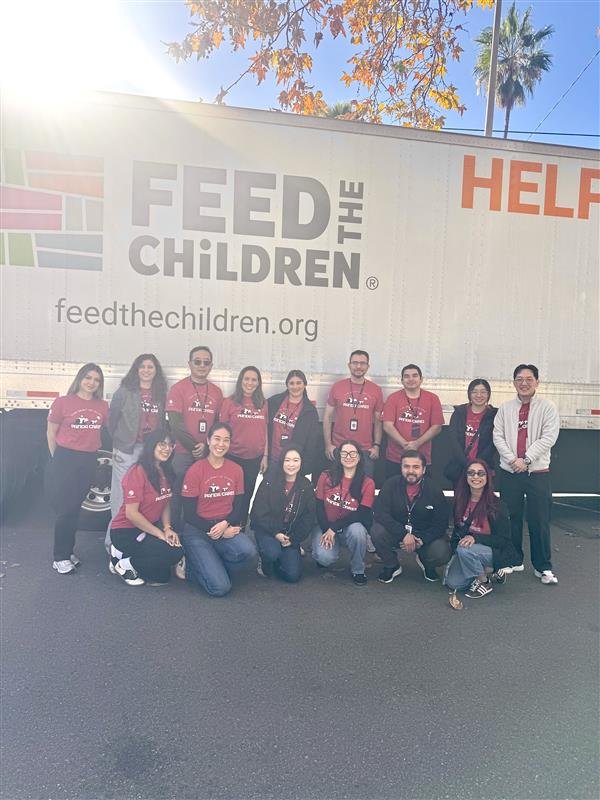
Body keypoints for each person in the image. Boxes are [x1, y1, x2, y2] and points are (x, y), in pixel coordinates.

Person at [493, 364, 560, 584]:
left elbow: (548, 437)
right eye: (519, 379)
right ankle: (514, 559)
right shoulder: (505, 408)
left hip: (537, 472)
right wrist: (513, 460)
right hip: (510, 471)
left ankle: (543, 567)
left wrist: (527, 459)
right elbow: (498, 436)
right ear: (514, 383)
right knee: (510, 517)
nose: (524, 383)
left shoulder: (547, 407)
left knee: (539, 520)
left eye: (529, 379)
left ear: (537, 382)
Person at [179, 423, 256, 597]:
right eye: (217, 439)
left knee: (249, 553)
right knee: (220, 588)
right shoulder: (195, 470)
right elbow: (189, 514)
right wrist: (218, 532)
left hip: (222, 525)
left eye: (226, 440)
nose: (221, 444)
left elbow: (239, 506)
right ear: (208, 440)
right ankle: (191, 567)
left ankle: (210, 562)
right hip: (197, 530)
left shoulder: (236, 470)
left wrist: (226, 524)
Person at [47, 363, 109, 574]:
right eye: (88, 378)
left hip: (89, 459)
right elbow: (51, 432)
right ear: (80, 379)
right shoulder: (63, 402)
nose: (91, 383)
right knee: (65, 509)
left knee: (75, 508)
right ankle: (60, 556)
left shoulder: (103, 406)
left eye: (96, 380)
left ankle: (68, 550)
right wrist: (57, 459)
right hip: (66, 458)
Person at [105, 353, 168, 550]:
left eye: (150, 367)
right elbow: (111, 419)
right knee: (121, 498)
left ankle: (134, 540)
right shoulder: (125, 391)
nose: (146, 370)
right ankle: (112, 543)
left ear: (156, 371)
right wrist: (120, 441)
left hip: (148, 451)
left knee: (144, 496)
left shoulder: (160, 393)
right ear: (136, 369)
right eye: (142, 366)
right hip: (126, 449)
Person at [109, 429, 183, 586]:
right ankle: (125, 564)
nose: (167, 448)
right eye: (162, 444)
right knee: (170, 558)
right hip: (126, 531)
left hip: (146, 530)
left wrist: (167, 528)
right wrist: (159, 534)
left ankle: (122, 555)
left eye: (170, 445)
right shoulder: (137, 472)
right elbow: (131, 514)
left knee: (164, 571)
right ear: (151, 446)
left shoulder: (165, 470)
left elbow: (165, 501)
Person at [371, 450, 450, 583]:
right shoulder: (391, 484)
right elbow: (380, 513)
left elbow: (441, 523)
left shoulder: (434, 489)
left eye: (416, 467)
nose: (411, 471)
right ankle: (392, 565)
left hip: (423, 537)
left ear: (424, 469)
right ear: (401, 468)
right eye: (406, 466)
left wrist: (421, 539)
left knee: (441, 551)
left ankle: (426, 562)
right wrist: (403, 534)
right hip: (397, 533)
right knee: (376, 531)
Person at [445, 460, 517, 603]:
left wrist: (475, 538)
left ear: (487, 477)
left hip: (493, 550)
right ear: (465, 477)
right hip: (468, 548)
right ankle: (490, 570)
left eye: (480, 473)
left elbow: (504, 540)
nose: (475, 477)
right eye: (471, 473)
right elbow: (458, 531)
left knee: (464, 549)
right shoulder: (460, 501)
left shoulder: (497, 505)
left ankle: (483, 581)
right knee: (454, 584)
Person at [167, 346, 223, 527]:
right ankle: (176, 533)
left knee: (202, 495)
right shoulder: (178, 389)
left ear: (211, 366)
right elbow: (175, 424)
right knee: (178, 494)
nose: (201, 366)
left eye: (206, 362)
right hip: (183, 453)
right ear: (189, 364)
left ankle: (196, 533)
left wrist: (206, 447)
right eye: (197, 362)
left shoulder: (216, 391)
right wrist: (195, 447)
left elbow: (217, 424)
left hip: (207, 454)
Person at [311, 440, 375, 586]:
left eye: (353, 453)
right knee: (325, 558)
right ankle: (325, 552)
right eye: (344, 453)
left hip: (349, 527)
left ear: (359, 457)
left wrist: (334, 528)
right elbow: (319, 506)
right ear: (339, 457)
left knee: (358, 531)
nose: (348, 456)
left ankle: (358, 569)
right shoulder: (326, 476)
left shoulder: (368, 482)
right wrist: (327, 529)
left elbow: (362, 513)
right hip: (325, 525)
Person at [250, 445, 315, 583]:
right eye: (287, 460)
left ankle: (283, 557)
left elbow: (308, 517)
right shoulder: (269, 481)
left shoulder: (306, 485)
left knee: (293, 575)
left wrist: (294, 538)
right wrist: (275, 533)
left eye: (296, 460)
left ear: (301, 462)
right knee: (271, 554)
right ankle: (266, 557)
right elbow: (258, 513)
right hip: (269, 531)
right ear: (282, 462)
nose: (291, 464)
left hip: (290, 534)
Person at [322, 350, 383, 478]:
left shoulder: (376, 390)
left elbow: (378, 421)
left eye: (362, 363)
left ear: (368, 366)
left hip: (365, 451)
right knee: (336, 488)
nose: (359, 366)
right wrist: (328, 444)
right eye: (355, 363)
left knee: (363, 489)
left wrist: (376, 446)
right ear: (349, 365)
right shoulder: (337, 387)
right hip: (339, 448)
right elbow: (327, 417)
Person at [219, 366, 268, 522]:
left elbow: (266, 430)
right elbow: (222, 431)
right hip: (233, 457)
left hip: (254, 459)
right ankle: (224, 524)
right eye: (246, 379)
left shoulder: (263, 403)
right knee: (230, 494)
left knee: (247, 494)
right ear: (241, 381)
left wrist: (265, 456)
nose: (250, 383)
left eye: (254, 379)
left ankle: (240, 526)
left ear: (258, 383)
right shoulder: (229, 402)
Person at [382, 364, 444, 478]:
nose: (411, 379)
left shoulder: (432, 398)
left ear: (421, 379)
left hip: (422, 458)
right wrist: (405, 444)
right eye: (406, 376)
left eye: (415, 376)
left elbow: (437, 427)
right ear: (402, 380)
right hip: (396, 458)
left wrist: (416, 444)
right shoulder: (393, 398)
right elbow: (387, 426)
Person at [267, 370, 322, 478]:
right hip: (273, 459)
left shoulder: (310, 411)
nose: (295, 386)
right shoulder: (274, 402)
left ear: (305, 384)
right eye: (291, 383)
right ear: (287, 385)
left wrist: (305, 467)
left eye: (299, 383)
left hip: (293, 463)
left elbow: (311, 442)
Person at [444, 379, 497, 484]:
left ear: (488, 394)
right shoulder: (459, 413)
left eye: (483, 392)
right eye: (474, 392)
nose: (479, 395)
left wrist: (477, 464)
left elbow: (493, 443)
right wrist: (466, 464)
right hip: (460, 467)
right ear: (469, 394)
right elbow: (453, 441)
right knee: (460, 498)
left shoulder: (494, 415)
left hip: (484, 467)